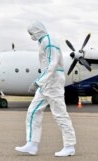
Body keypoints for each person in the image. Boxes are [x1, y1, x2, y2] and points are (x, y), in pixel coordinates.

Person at [15, 21, 76, 157]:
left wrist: (38, 82)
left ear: (36, 31)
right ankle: (32, 144)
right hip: (47, 82)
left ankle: (69, 146)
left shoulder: (49, 42)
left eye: (31, 33)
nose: (31, 36)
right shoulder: (43, 42)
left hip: (53, 81)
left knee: (60, 114)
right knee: (33, 111)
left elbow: (52, 64)